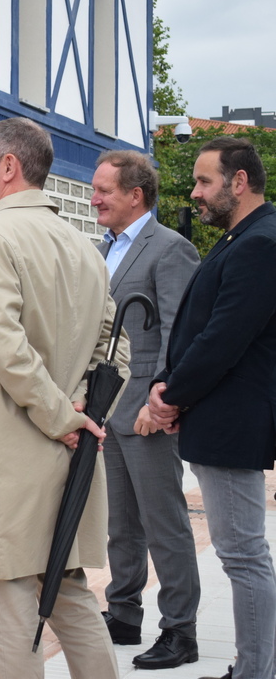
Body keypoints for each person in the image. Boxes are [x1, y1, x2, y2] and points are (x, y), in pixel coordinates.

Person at [0, 117, 127, 678]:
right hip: (61, 450)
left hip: (0, 453)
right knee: (69, 594)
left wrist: (64, 415)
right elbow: (116, 346)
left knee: (10, 610)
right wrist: (82, 409)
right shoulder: (81, 243)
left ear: (9, 167)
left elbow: (4, 344)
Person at [148, 137, 276, 679]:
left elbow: (223, 338)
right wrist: (167, 385)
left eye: (204, 181)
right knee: (242, 554)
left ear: (238, 182)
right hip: (219, 417)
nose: (196, 193)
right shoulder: (242, 237)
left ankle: (255, 672)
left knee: (243, 555)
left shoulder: (261, 242)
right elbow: (199, 330)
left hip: (231, 423)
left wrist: (169, 396)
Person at [88, 150, 201, 669]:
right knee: (121, 524)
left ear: (136, 195)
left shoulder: (171, 249)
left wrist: (162, 400)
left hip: (147, 413)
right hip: (106, 409)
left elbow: (180, 332)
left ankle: (180, 630)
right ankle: (123, 612)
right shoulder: (102, 249)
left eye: (104, 190)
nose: (94, 198)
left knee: (165, 524)